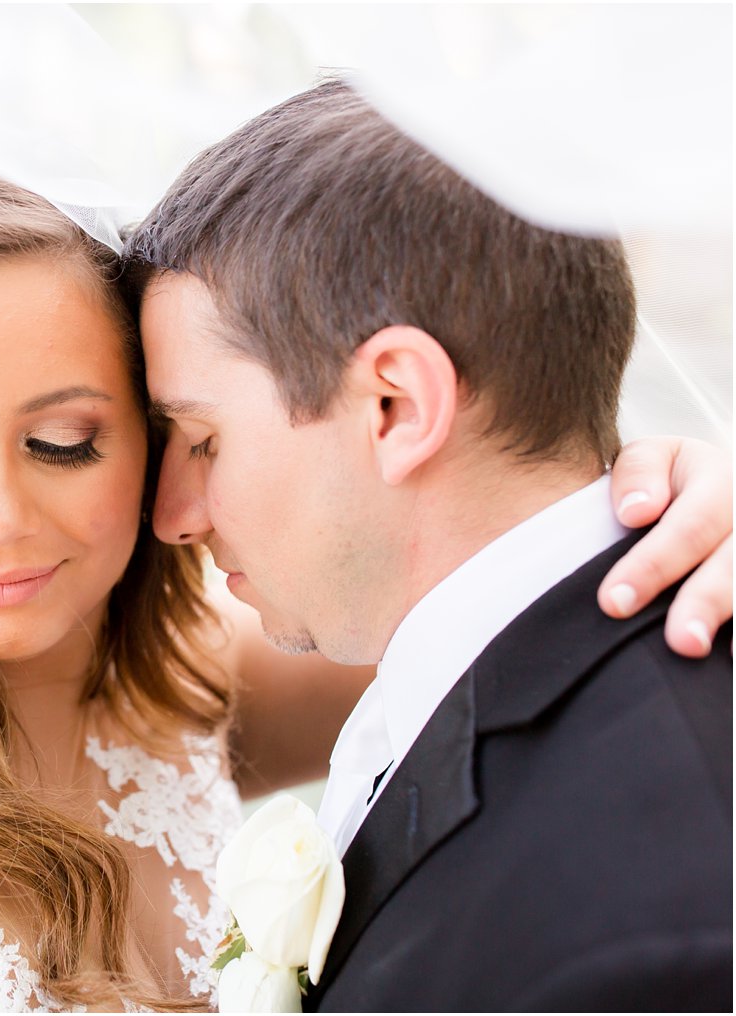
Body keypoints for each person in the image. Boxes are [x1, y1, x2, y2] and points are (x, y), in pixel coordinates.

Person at [0, 152, 731, 1011]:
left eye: (65, 441)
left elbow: (487, 594)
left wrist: (674, 502)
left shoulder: (185, 680)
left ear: (157, 432)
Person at [130, 78, 732, 1010]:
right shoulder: (464, 681)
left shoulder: (652, 931)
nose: (172, 514)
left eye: (203, 440)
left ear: (396, 406)